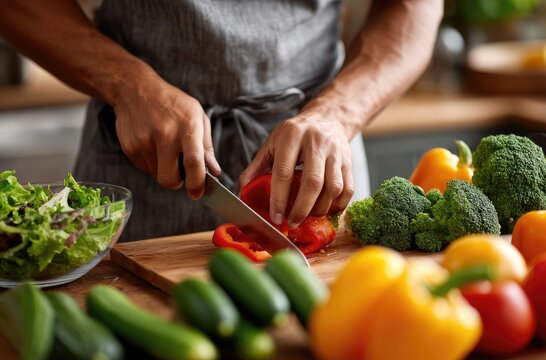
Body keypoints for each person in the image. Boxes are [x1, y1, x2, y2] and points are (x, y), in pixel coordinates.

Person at [0, 0, 443, 241]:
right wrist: (127, 84)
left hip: (319, 157)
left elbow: (412, 7)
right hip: (136, 156)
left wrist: (337, 114)